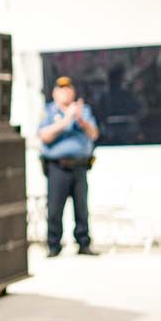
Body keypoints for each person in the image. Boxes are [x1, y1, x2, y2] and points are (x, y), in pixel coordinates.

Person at [39, 76, 100, 257]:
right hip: (57, 167)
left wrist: (80, 119)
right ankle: (54, 245)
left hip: (80, 166)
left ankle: (83, 243)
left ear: (73, 92)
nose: (65, 92)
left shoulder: (84, 111)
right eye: (61, 89)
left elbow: (94, 134)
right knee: (54, 208)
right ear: (54, 93)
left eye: (68, 88)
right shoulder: (48, 111)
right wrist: (66, 120)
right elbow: (44, 135)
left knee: (82, 208)